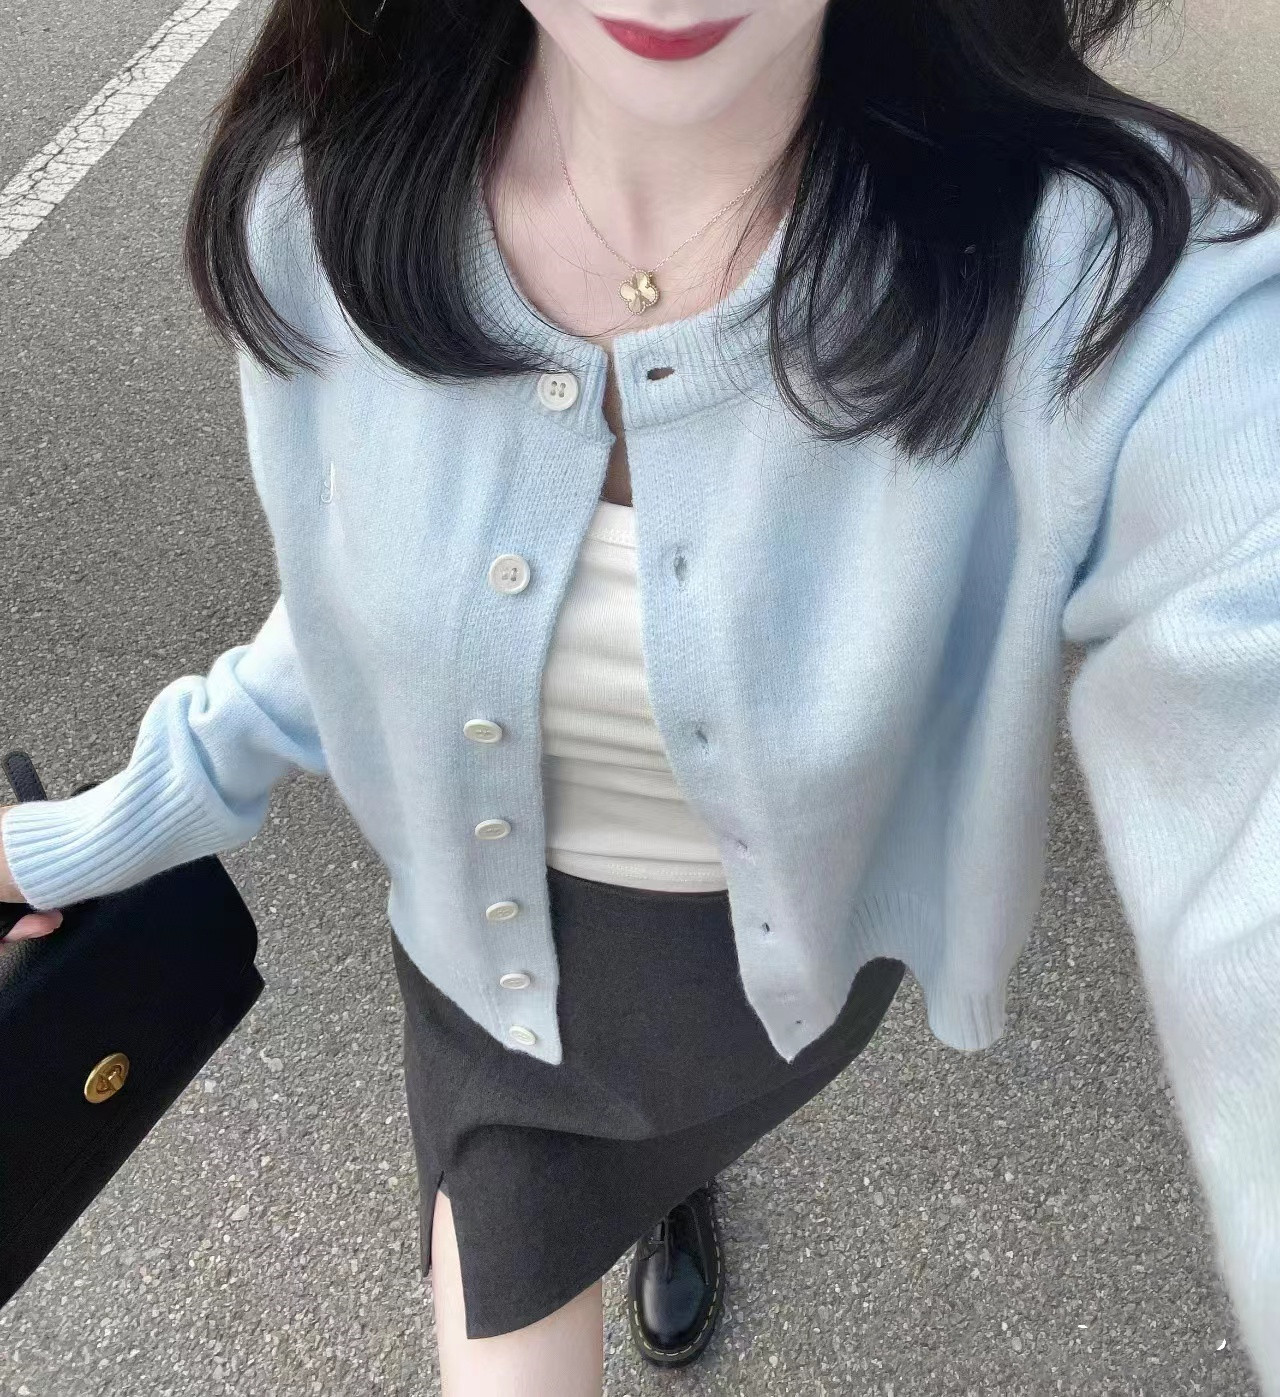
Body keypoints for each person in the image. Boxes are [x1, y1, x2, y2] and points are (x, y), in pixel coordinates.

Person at [3, 0, 1280, 1391]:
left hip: (777, 975)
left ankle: (679, 1182)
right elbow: (353, 629)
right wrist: (66, 842)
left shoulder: (1091, 269)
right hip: (495, 986)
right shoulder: (326, 212)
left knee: (687, 1136)